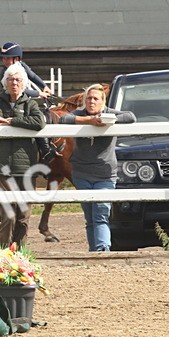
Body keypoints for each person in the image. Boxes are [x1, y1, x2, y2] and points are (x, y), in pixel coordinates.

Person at [59, 84, 136, 252]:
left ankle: (103, 250)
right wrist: (89, 121)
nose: (92, 101)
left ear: (103, 101)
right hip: (82, 173)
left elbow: (131, 117)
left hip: (105, 174)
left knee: (101, 213)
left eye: (95, 99)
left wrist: (106, 120)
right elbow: (63, 119)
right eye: (89, 98)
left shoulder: (110, 112)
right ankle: (94, 252)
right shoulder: (79, 114)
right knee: (90, 217)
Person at [0, 63, 47, 248]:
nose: (14, 83)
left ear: (24, 83)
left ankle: (20, 254)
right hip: (1, 166)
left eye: (17, 80)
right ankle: (4, 255)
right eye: (10, 79)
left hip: (25, 167)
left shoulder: (31, 104)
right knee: (7, 215)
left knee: (23, 215)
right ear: (5, 83)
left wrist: (12, 122)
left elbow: (39, 122)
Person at [0, 42, 58, 164]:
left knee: (43, 116)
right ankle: (45, 149)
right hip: (13, 103)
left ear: (17, 59)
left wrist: (44, 86)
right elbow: (21, 90)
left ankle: (44, 149)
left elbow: (32, 76)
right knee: (37, 119)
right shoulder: (5, 73)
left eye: (7, 58)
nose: (4, 60)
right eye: (4, 58)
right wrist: (39, 94)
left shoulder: (22, 66)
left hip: (25, 101)